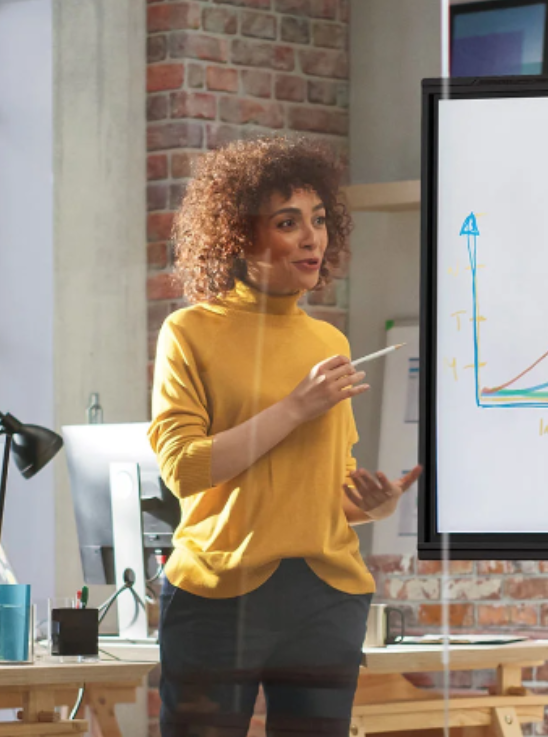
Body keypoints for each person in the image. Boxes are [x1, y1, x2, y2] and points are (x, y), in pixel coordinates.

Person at [148, 135, 421, 737]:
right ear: (241, 235)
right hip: (218, 595)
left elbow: (318, 489)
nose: (312, 238)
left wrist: (371, 505)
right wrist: (296, 406)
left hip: (326, 594)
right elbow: (184, 470)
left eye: (319, 221)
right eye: (288, 222)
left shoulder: (330, 342)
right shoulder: (189, 332)